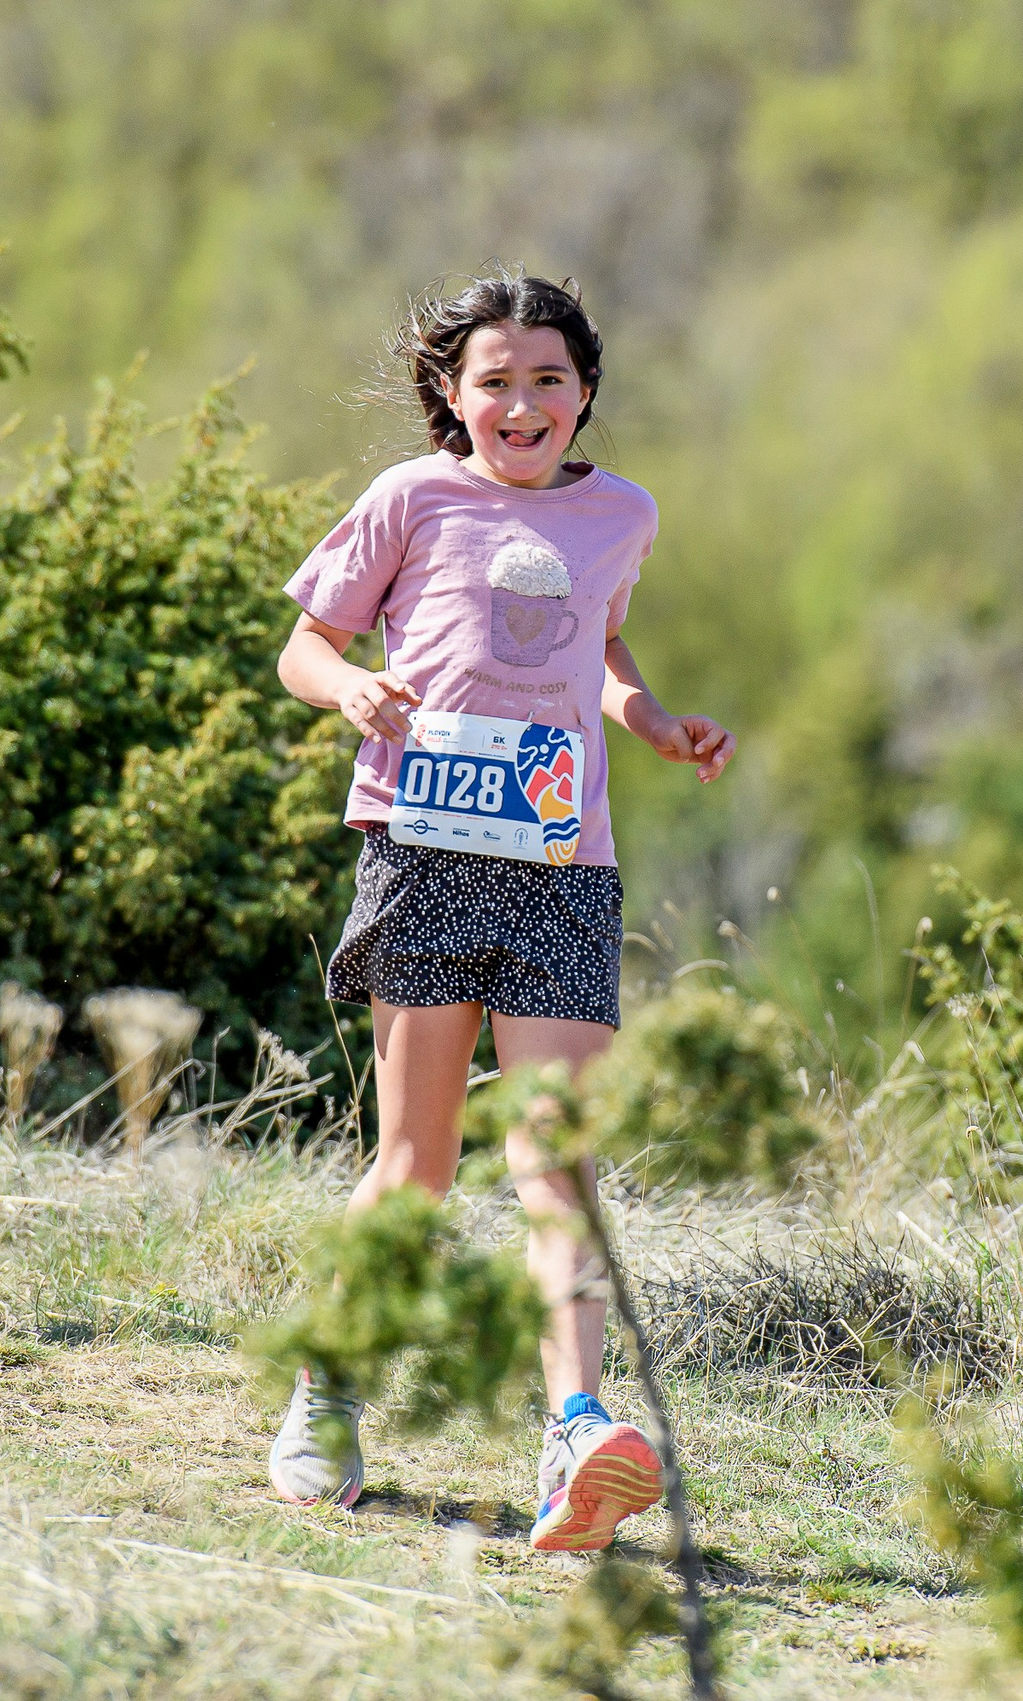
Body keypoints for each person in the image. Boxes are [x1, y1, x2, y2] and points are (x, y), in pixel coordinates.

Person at [267, 270, 737, 1550]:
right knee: (413, 1166)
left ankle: (575, 1429)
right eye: (494, 382)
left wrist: (653, 722)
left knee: (554, 1157)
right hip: (427, 850)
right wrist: (348, 691)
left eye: (547, 380)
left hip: (564, 865)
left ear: (584, 393)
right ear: (449, 396)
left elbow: (600, 642)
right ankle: (327, 1387)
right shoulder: (407, 499)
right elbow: (303, 645)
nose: (521, 403)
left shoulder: (624, 514)